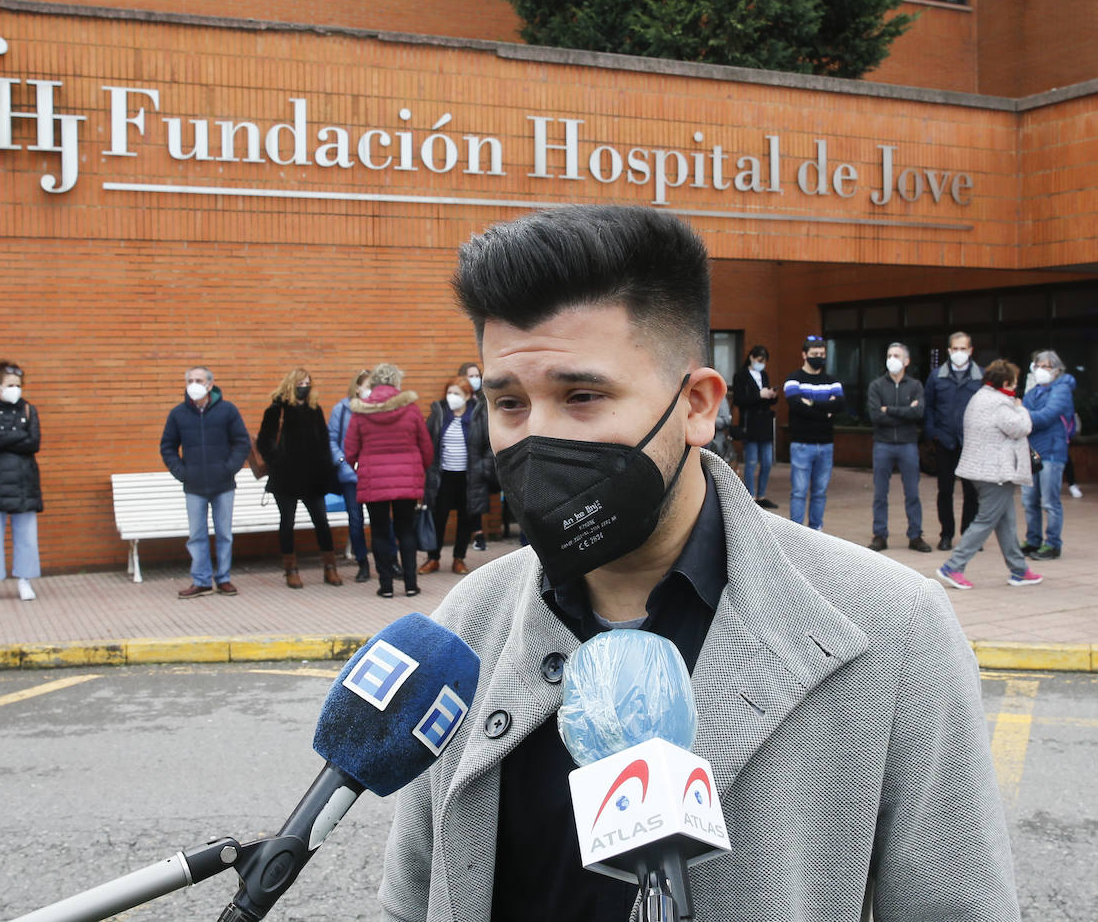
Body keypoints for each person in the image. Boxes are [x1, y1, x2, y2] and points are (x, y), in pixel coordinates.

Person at [379, 205, 1018, 922]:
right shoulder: (469, 621)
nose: (540, 437)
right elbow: (414, 897)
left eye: (582, 396)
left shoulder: (893, 628)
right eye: (510, 403)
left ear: (697, 405)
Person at [936, 359, 1041, 590]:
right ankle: (953, 566)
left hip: (980, 470)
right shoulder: (1001, 404)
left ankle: (1019, 570)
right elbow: (1021, 428)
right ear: (1004, 382)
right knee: (985, 520)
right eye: (1013, 383)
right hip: (995, 473)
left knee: (1006, 522)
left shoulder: (980, 397)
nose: (1015, 387)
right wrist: (1021, 407)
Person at [344, 362, 433, 597]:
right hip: (407, 481)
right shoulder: (411, 409)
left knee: (380, 532)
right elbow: (426, 446)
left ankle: (385, 586)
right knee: (406, 530)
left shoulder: (361, 411)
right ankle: (411, 585)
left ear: (374, 382)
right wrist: (417, 470)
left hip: (374, 481)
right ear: (396, 381)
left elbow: (350, 450)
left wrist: (359, 469)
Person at [160, 366, 250, 599]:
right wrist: (182, 472)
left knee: (224, 534)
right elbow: (167, 446)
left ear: (210, 384)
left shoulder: (227, 411)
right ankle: (201, 581)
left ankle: (223, 579)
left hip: (223, 484)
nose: (193, 383)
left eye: (198, 379)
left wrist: (229, 468)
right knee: (197, 535)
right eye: (189, 380)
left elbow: (242, 442)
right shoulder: (178, 413)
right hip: (194, 486)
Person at [258, 367, 343, 588]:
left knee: (322, 522)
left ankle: (330, 567)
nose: (304, 387)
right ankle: (291, 569)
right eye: (300, 383)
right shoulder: (277, 409)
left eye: (307, 383)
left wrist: (326, 469)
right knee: (287, 523)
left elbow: (324, 443)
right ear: (290, 384)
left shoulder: (315, 410)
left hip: (313, 479)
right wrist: (279, 460)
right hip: (285, 478)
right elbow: (264, 442)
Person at [0, 361, 42, 603]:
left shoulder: (29, 410)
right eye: (9, 385)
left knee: (26, 534)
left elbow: (34, 442)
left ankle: (25, 580)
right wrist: (18, 437)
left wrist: (6, 439)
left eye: (18, 385)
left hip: (24, 481)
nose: (15, 389)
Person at [420, 376, 493, 576]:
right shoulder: (439, 413)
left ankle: (458, 559)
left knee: (466, 518)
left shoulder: (479, 415)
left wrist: (484, 468)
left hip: (469, 478)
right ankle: (433, 558)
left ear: (468, 396)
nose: (452, 397)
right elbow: (426, 442)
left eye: (457, 394)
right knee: (438, 517)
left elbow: (490, 445)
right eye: (449, 393)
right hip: (442, 476)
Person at [867, 343, 931, 552]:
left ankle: (915, 535)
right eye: (889, 355)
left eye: (896, 355)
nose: (892, 359)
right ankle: (879, 535)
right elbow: (876, 416)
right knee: (880, 494)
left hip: (908, 444)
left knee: (912, 492)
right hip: (883, 444)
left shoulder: (915, 386)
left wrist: (890, 410)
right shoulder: (876, 386)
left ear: (906, 361)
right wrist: (904, 412)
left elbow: (918, 413)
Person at [922, 331, 983, 551]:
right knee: (945, 490)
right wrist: (933, 433)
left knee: (971, 492)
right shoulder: (937, 376)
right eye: (955, 349)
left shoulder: (980, 376)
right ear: (949, 351)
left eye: (963, 349)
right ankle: (946, 534)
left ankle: (968, 535)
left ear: (971, 350)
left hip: (971, 443)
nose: (959, 353)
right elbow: (928, 407)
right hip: (945, 441)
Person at [1020, 350, 1076, 560]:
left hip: (1052, 452)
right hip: (1033, 451)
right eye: (1039, 366)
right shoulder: (1033, 390)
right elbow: (1025, 411)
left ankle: (1053, 544)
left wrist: (1023, 415)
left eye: (1047, 366)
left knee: (1050, 502)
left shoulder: (1062, 389)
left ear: (1057, 369)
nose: (1042, 370)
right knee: (1029, 501)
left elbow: (1047, 415)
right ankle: (1033, 540)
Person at [783, 335, 843, 529]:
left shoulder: (832, 381)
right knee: (799, 492)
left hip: (826, 445)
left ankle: (817, 532)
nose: (819, 357)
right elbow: (796, 406)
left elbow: (841, 405)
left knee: (820, 492)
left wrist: (812, 403)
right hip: (802, 444)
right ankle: (796, 533)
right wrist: (825, 411)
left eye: (822, 354)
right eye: (814, 354)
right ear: (804, 355)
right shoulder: (793, 379)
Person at [329, 369, 373, 582]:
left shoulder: (378, 408)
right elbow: (333, 440)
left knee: (381, 520)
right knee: (355, 520)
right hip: (350, 475)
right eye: (367, 385)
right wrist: (343, 464)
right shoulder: (342, 409)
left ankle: (390, 560)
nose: (370, 390)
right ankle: (362, 561)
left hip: (374, 475)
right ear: (357, 387)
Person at [730, 344, 778, 508]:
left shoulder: (763, 374)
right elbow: (739, 400)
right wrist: (758, 395)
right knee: (751, 461)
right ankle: (750, 495)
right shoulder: (741, 376)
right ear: (751, 357)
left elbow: (767, 400)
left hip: (764, 422)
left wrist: (771, 395)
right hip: (750, 422)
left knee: (767, 461)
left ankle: (761, 494)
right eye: (759, 360)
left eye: (764, 361)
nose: (761, 364)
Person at [458, 361, 490, 551]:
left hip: (477, 459)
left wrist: (485, 463)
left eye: (477, 375)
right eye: (470, 375)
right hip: (460, 460)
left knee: (475, 497)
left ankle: (478, 534)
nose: (475, 379)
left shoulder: (483, 400)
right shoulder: (457, 399)